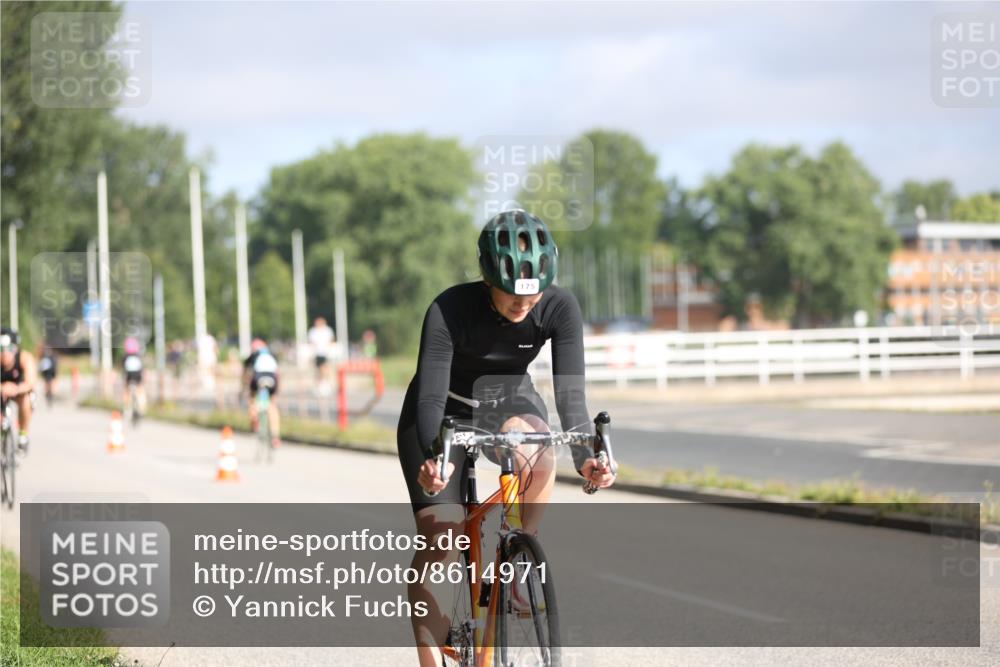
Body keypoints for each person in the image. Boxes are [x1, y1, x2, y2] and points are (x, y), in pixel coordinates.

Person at [396, 209, 616, 665]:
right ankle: (432, 655)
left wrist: (585, 456)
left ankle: (521, 554)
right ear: (486, 277)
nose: (523, 304)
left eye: (532, 294)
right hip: (444, 408)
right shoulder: (448, 309)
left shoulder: (559, 307)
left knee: (539, 445)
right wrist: (437, 455)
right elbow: (431, 395)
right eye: (511, 294)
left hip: (508, 401)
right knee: (442, 538)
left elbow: (570, 397)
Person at [0, 328, 37, 452]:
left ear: (15, 349)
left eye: (9, 349)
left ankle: (23, 434)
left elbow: (30, 383)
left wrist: (15, 389)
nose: (5, 353)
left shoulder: (24, 358)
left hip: (18, 390)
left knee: (27, 399)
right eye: (1, 349)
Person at [242, 337, 281, 448]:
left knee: (252, 398)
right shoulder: (272, 354)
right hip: (272, 378)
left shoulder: (253, 356)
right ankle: (275, 437)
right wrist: (275, 394)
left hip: (258, 377)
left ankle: (255, 418)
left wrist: (244, 389)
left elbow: (246, 375)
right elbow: (278, 373)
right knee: (272, 406)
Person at [307, 316, 335, 394]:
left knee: (324, 369)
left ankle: (324, 384)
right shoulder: (313, 331)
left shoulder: (327, 330)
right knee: (318, 370)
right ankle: (319, 385)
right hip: (317, 353)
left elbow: (331, 340)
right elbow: (311, 342)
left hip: (325, 353)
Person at [122, 336, 146, 419]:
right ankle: (142, 409)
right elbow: (142, 368)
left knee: (126, 391)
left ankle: (126, 409)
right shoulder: (138, 356)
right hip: (138, 376)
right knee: (140, 391)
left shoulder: (125, 356)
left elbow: (123, 369)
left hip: (129, 375)